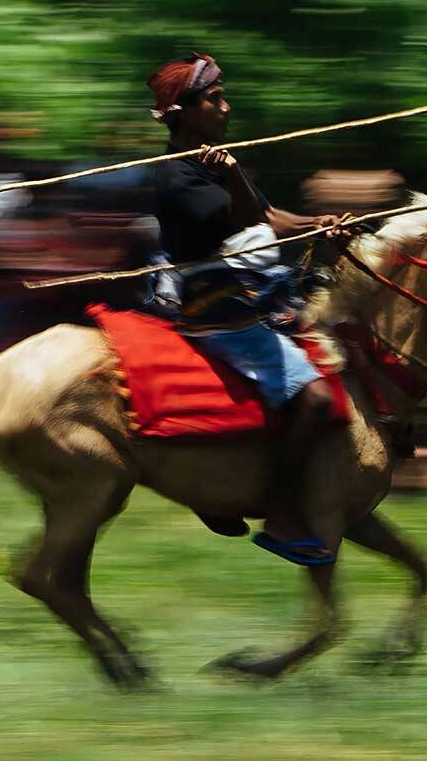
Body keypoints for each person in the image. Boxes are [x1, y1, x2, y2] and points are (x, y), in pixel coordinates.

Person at [146, 52, 346, 566]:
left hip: (252, 291)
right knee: (316, 400)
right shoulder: (178, 176)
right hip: (217, 304)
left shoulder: (214, 161)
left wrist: (319, 223)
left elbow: (267, 217)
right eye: (214, 99)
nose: (225, 107)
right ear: (184, 112)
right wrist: (233, 175)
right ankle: (282, 517)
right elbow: (238, 220)